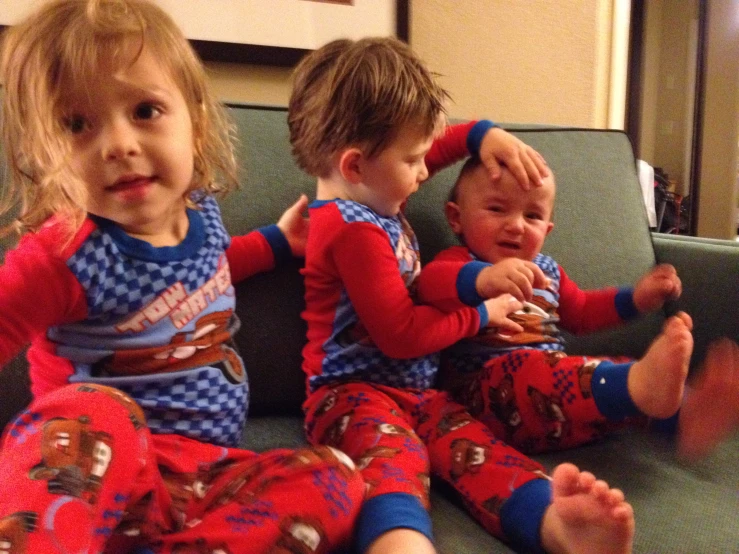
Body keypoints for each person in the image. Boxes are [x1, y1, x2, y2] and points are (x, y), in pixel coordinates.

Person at [0, 1, 365, 552]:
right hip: (96, 479)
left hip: (202, 481)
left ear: (194, 121)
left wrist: (276, 243)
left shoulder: (201, 215)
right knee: (93, 409)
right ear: (44, 153)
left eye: (145, 111)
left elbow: (207, 272)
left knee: (338, 477)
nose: (119, 144)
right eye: (76, 124)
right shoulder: (62, 254)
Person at [288, 36, 634, 554]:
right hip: (350, 397)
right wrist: (481, 313)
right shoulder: (352, 229)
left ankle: (554, 526)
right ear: (356, 165)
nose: (427, 171)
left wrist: (480, 135)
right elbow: (403, 336)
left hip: (420, 395)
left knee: (480, 452)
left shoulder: (371, 192)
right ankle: (400, 545)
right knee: (393, 462)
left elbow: (427, 148)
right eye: (415, 161)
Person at [417, 156, 739, 465]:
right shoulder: (459, 265)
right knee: (534, 368)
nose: (516, 226)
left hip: (560, 408)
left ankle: (686, 415)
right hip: (485, 405)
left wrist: (636, 299)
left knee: (616, 373)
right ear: (456, 217)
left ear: (547, 229)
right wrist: (484, 279)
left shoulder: (548, 271)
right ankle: (647, 393)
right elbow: (430, 285)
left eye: (532, 216)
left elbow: (583, 311)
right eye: (497, 209)